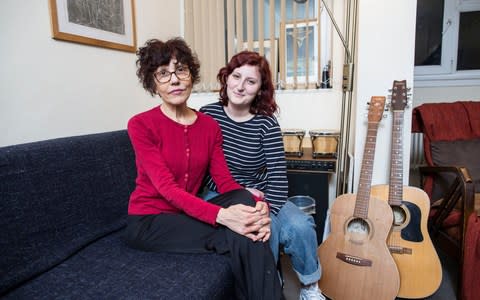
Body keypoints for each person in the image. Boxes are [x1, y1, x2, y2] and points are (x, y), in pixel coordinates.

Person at [124, 38, 282, 300]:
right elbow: (168, 190)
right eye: (163, 73)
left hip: (190, 215)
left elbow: (226, 183)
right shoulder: (141, 125)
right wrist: (224, 216)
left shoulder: (209, 126)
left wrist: (258, 208)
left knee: (245, 206)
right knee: (243, 234)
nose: (174, 80)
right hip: (150, 221)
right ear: (153, 84)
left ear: (191, 76)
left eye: (181, 70)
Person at [200, 51, 325, 300]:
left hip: (263, 194)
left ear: (260, 89)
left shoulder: (266, 123)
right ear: (226, 78)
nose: (240, 86)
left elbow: (278, 176)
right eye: (236, 76)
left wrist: (267, 211)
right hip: (220, 193)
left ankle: (310, 286)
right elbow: (203, 172)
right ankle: (270, 289)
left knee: (301, 226)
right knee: (256, 235)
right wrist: (243, 200)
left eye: (251, 81)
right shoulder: (207, 115)